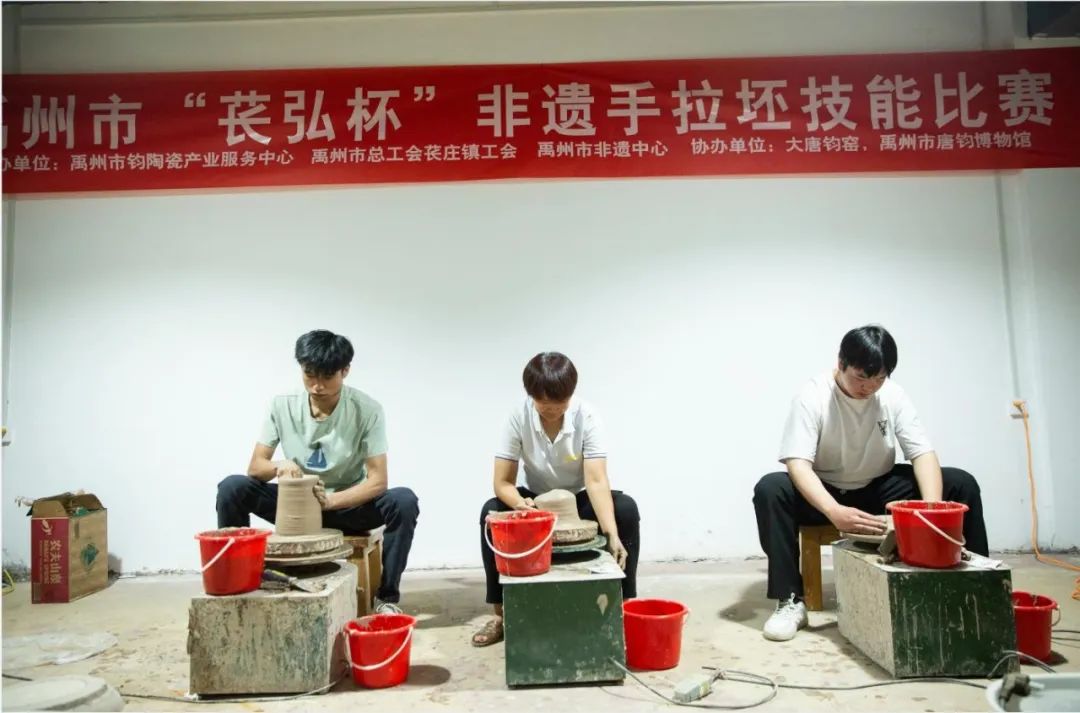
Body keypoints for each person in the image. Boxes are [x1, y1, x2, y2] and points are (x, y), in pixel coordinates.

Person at [752, 324, 988, 641]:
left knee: (960, 483)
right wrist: (834, 511)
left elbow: (922, 453)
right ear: (841, 363)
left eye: (879, 378)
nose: (869, 387)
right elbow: (797, 463)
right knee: (770, 489)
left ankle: (977, 587)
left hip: (879, 489)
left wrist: (930, 509)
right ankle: (790, 600)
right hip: (825, 493)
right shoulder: (813, 395)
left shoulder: (892, 394)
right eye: (861, 377)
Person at [216, 329, 419, 614]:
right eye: (309, 374)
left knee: (404, 500)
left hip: (345, 507)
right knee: (232, 488)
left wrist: (331, 501)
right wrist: (279, 465)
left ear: (345, 371)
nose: (317, 386)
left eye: (327, 377)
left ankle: (386, 598)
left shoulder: (367, 410)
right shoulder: (282, 404)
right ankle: (239, 580)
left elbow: (378, 481)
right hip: (294, 507)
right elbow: (256, 467)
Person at [471, 352, 641, 646]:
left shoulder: (587, 416)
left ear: (571, 394)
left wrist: (612, 533)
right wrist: (521, 504)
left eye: (559, 404)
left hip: (576, 500)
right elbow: (502, 482)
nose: (551, 411)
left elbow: (596, 480)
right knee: (490, 513)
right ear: (531, 396)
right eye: (543, 405)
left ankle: (623, 608)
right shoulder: (518, 416)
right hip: (535, 499)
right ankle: (501, 614)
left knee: (626, 510)